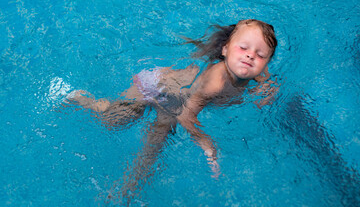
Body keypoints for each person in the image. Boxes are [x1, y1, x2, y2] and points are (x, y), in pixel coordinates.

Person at [67, 19, 278, 202]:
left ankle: (125, 192)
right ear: (225, 49)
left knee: (152, 150)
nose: (251, 56)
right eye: (244, 48)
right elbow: (186, 116)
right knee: (111, 121)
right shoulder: (215, 82)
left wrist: (265, 90)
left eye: (260, 55)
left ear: (267, 62)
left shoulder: (255, 73)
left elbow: (262, 78)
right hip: (157, 89)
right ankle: (79, 98)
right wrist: (207, 144)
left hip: (174, 101)